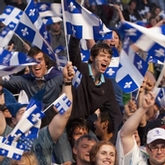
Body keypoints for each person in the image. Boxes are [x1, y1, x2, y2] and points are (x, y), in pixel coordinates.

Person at [0, 61, 75, 165]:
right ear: (13, 119)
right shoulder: (7, 134)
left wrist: (67, 82)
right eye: (22, 112)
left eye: (30, 112)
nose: (27, 114)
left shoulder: (43, 136)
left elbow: (65, 113)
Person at [69, 35, 122, 144]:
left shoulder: (107, 85)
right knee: (67, 160)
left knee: (97, 151)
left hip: (83, 128)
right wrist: (77, 31)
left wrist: (114, 140)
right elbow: (73, 48)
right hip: (65, 125)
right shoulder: (81, 68)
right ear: (92, 58)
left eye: (108, 57)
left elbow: (116, 115)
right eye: (102, 55)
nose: (106, 59)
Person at [115, 91, 165, 165]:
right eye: (154, 147)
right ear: (147, 149)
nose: (159, 152)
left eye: (163, 147)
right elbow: (125, 135)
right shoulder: (138, 161)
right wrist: (143, 108)